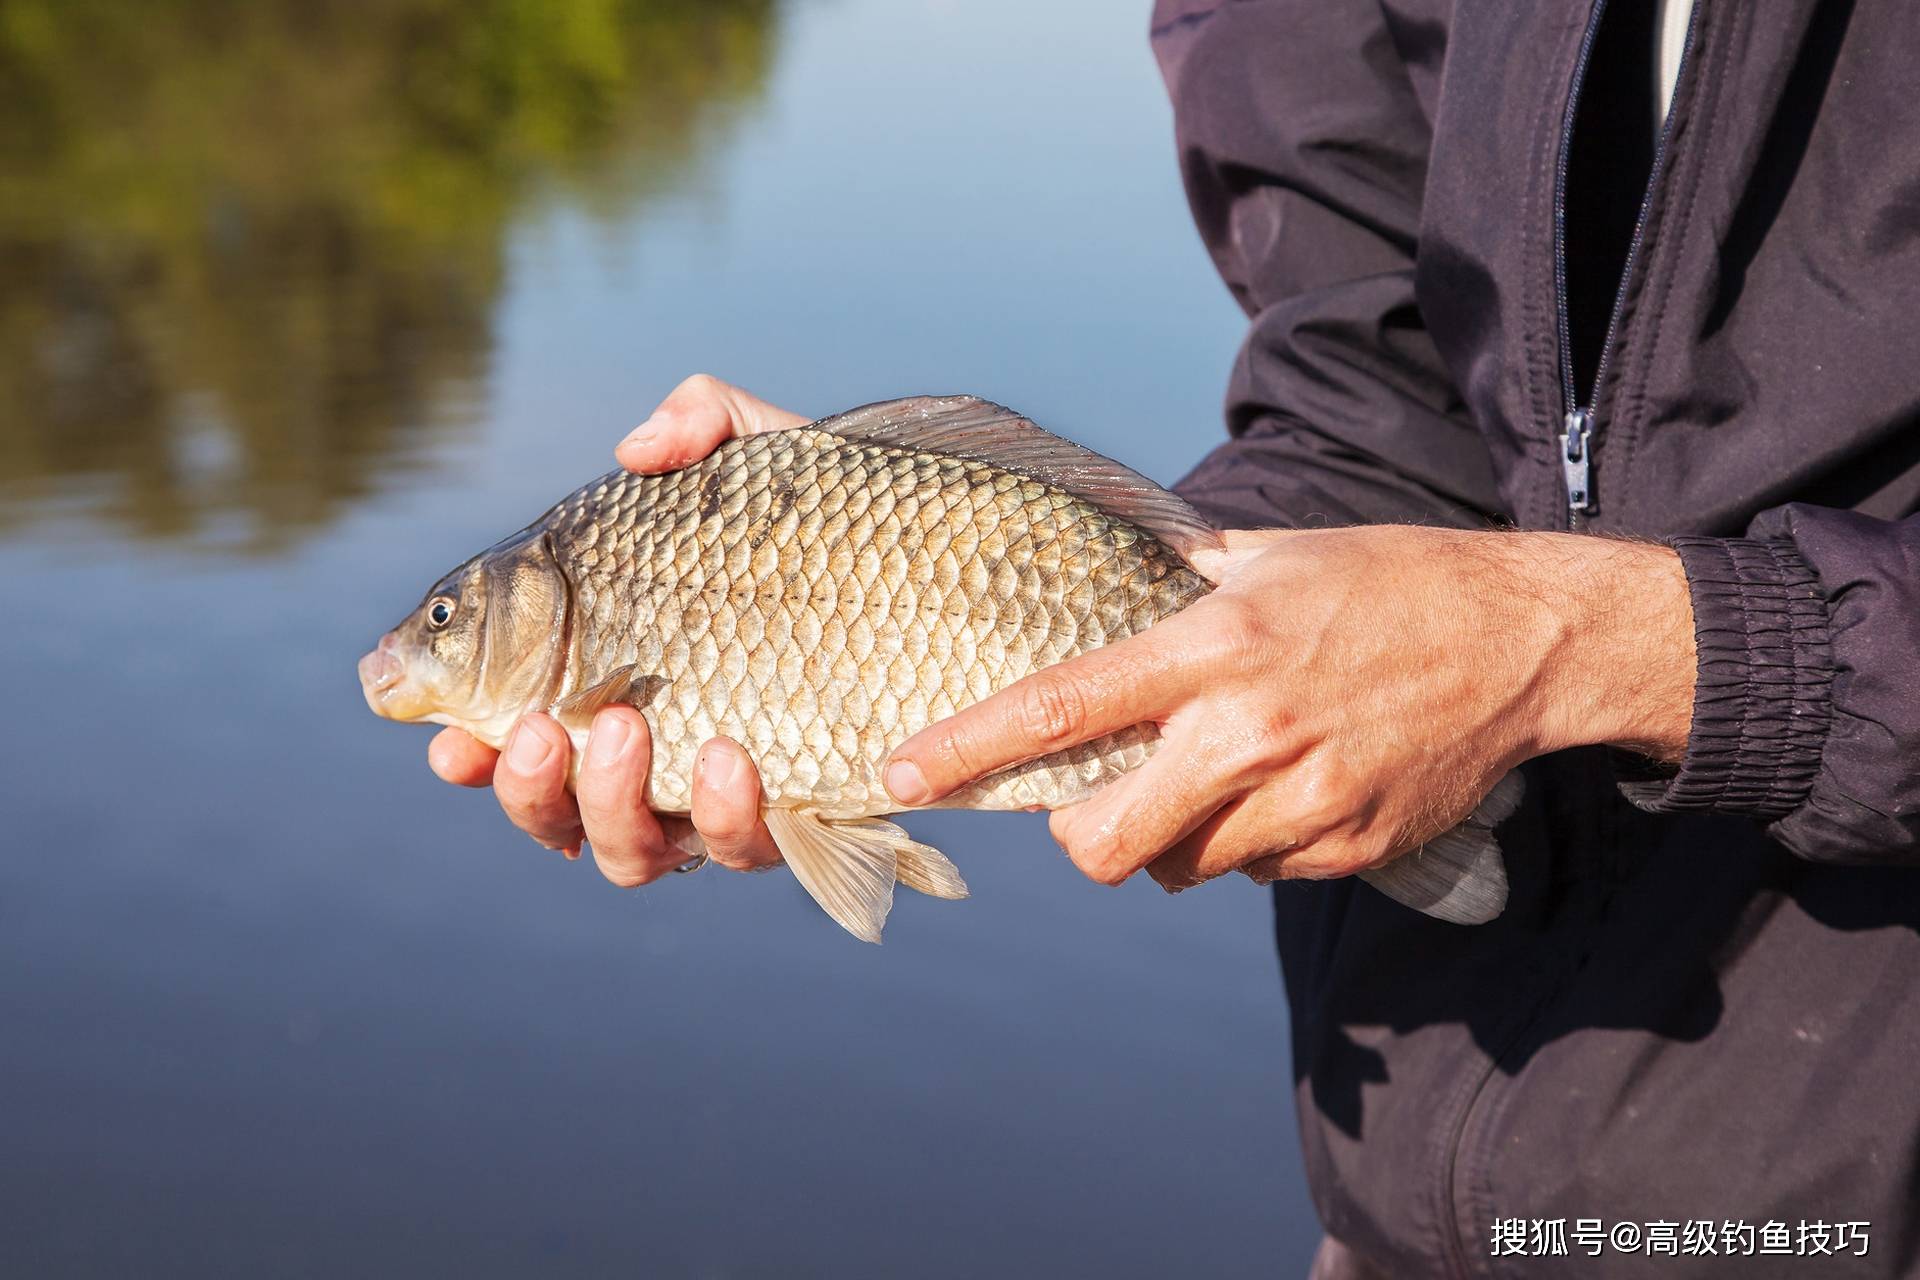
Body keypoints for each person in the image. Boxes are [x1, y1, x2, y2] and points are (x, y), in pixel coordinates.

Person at [431, 1, 1920, 1274]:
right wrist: (887, 570)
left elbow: (1564, 612)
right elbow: (1368, 385)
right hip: (1419, 1193)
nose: (413, 653)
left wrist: (1615, 648)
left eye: (444, 627)